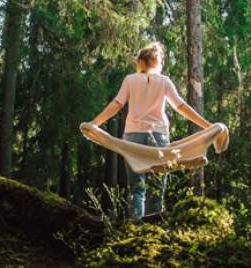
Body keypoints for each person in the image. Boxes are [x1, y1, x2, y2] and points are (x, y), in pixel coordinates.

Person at [90, 42, 211, 219]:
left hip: (133, 137)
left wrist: (95, 122)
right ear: (158, 62)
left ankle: (135, 228)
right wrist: (207, 126)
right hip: (159, 137)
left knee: (136, 188)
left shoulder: (130, 80)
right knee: (156, 188)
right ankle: (154, 230)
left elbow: (117, 104)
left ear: (140, 61)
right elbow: (181, 106)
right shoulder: (164, 81)